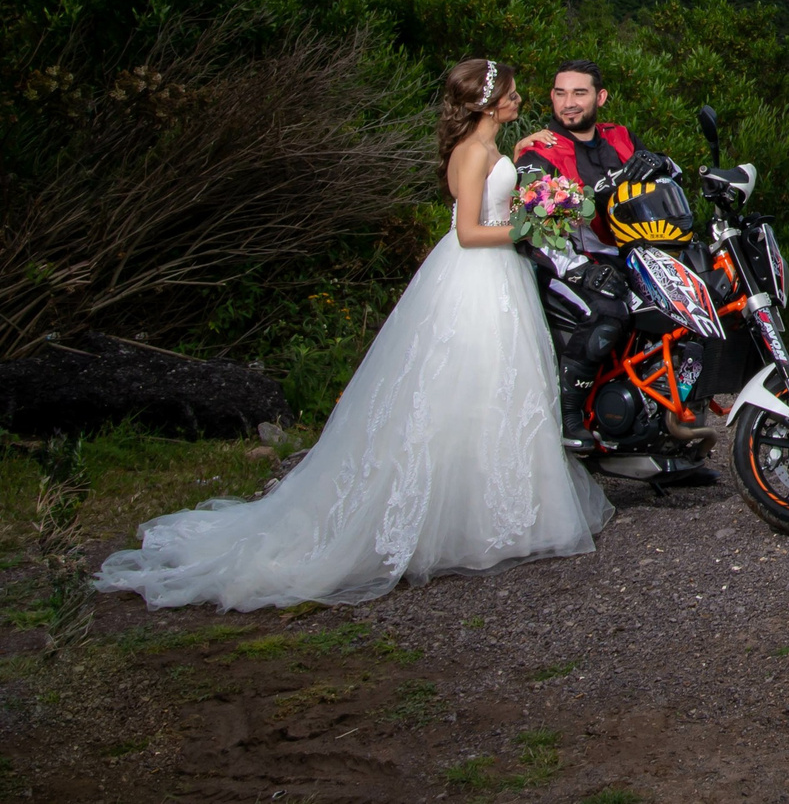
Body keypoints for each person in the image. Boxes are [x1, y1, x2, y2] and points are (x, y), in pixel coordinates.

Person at [94, 59, 611, 611]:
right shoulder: (472, 152)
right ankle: (451, 518)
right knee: (461, 389)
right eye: (509, 94)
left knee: (499, 393)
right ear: (487, 104)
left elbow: (500, 188)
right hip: (475, 277)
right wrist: (529, 226)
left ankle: (496, 514)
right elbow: (466, 232)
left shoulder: (492, 146)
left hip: (500, 278)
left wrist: (533, 187)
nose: (517, 99)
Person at [512, 60, 640, 451]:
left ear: (599, 97)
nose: (568, 103)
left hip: (626, 255)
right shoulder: (541, 150)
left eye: (579, 93)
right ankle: (569, 418)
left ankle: (665, 427)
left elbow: (656, 185)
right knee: (606, 313)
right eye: (560, 93)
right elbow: (532, 227)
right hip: (563, 264)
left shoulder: (620, 137)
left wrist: (667, 165)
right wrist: (581, 271)